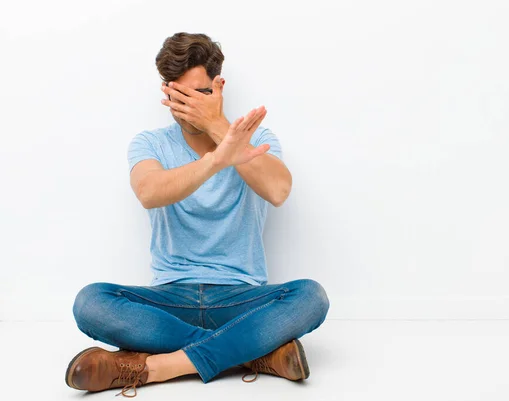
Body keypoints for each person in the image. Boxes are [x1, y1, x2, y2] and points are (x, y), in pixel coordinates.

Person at [65, 32, 330, 398]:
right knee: (89, 303)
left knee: (312, 297)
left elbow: (278, 191)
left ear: (218, 87)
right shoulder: (151, 143)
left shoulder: (258, 137)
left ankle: (158, 367)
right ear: (166, 92)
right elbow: (148, 191)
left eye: (200, 95)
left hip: (240, 298)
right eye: (179, 97)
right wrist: (216, 162)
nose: (190, 107)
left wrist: (220, 130)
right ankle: (252, 353)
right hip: (170, 302)